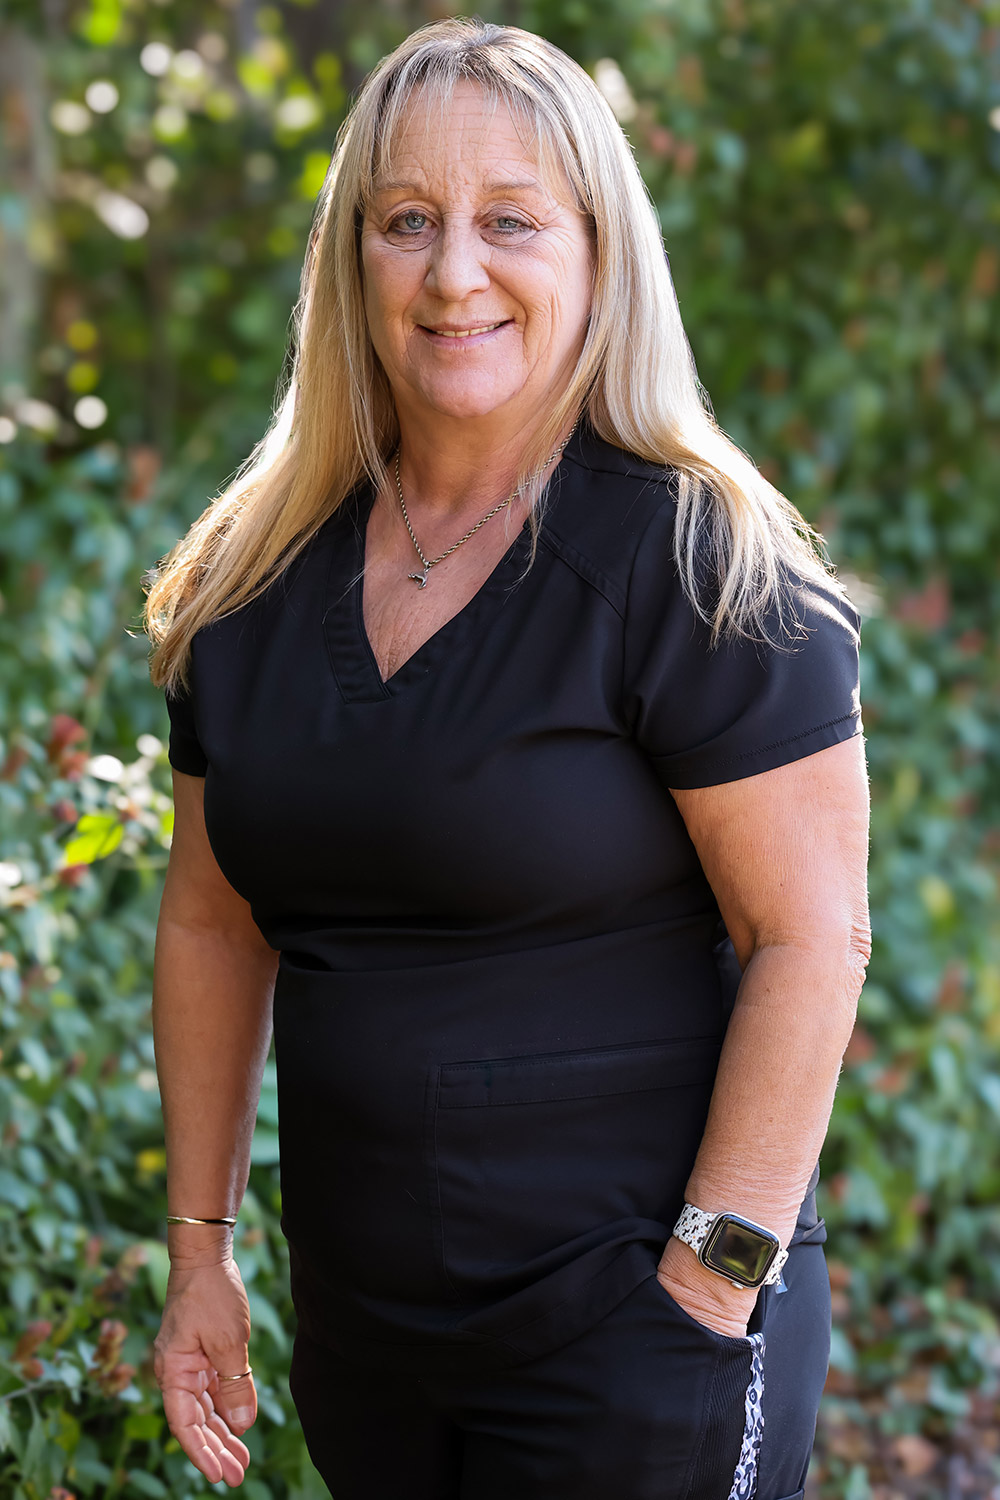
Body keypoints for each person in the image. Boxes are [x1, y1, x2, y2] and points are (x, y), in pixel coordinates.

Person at [144, 18, 870, 1500]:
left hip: (640, 1337)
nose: (453, 271)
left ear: (599, 253)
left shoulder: (699, 566)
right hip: (371, 1345)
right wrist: (201, 1256)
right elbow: (214, 924)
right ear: (353, 260)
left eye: (509, 221)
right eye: (407, 221)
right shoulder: (255, 583)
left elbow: (812, 937)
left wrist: (715, 1285)